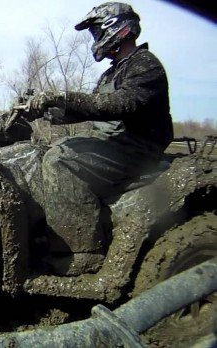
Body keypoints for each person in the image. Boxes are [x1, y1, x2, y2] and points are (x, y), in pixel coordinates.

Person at [27, 2, 173, 275]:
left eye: (96, 32)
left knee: (61, 160)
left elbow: (119, 104)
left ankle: (83, 253)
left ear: (116, 28)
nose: (95, 40)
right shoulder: (114, 70)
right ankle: (47, 236)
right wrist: (46, 112)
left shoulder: (145, 65)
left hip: (137, 149)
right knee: (50, 150)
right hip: (117, 145)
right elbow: (91, 110)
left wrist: (63, 97)